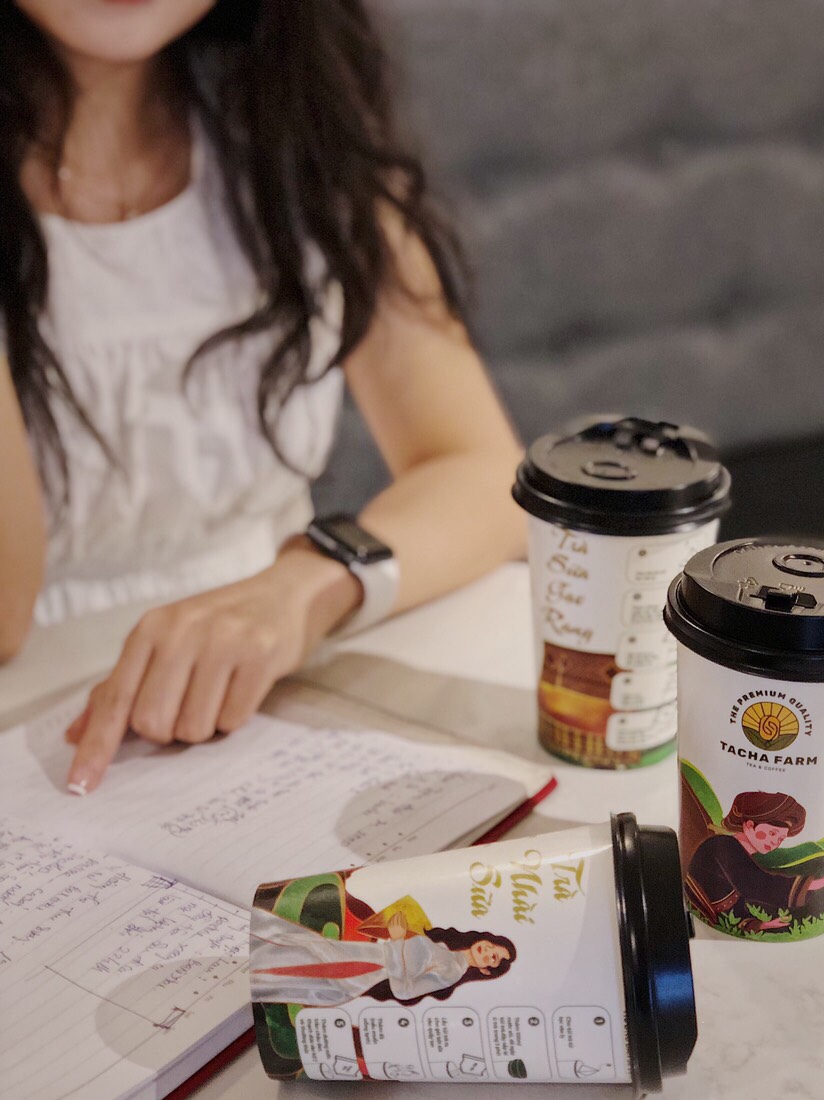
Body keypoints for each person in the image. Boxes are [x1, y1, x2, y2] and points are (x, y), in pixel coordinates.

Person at [0, 2, 526, 794]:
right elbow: (5, 612)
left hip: (271, 713)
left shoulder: (293, 130)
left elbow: (484, 472)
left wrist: (304, 586)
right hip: (38, 741)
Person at [249, 905, 516, 1006]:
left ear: (485, 970)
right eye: (492, 946)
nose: (488, 952)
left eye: (493, 959)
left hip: (363, 970)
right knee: (300, 950)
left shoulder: (451, 972)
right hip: (363, 952)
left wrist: (398, 939)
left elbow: (403, 991)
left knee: (300, 962)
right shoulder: (445, 948)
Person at [685, 791, 824, 932]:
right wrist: (819, 883)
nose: (775, 842)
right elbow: (759, 884)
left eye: (780, 839)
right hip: (692, 922)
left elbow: (734, 909)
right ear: (749, 825)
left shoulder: (736, 852)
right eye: (772, 833)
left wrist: (763, 925)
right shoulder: (723, 844)